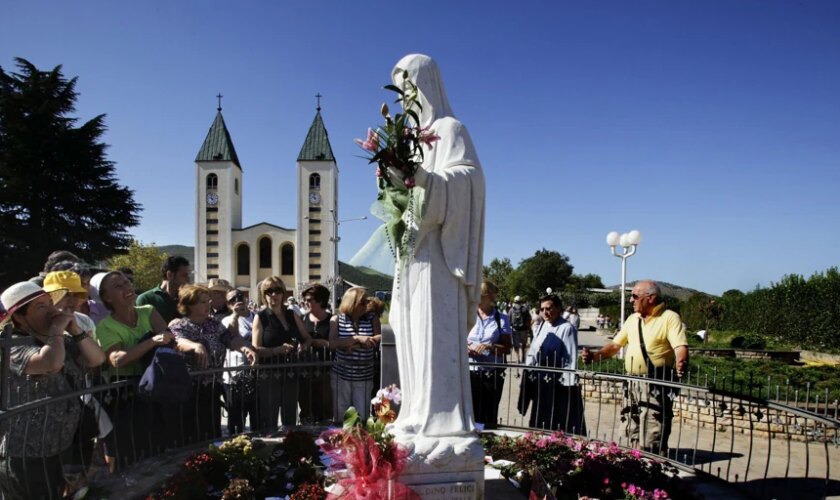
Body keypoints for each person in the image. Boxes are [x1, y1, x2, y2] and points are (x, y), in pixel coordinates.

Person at [387, 54, 485, 443]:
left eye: (408, 86)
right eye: (399, 90)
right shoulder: (410, 139)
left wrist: (425, 178)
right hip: (412, 252)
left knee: (433, 336)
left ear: (425, 84)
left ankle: (440, 418)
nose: (404, 97)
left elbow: (469, 180)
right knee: (410, 332)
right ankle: (413, 410)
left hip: (439, 257)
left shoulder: (450, 128)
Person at [0, 281, 105, 500]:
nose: (51, 310)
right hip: (26, 453)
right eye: (40, 307)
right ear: (19, 318)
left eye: (50, 303)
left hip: (63, 445)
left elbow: (97, 359)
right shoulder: (11, 346)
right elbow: (51, 363)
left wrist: (75, 330)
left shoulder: (63, 341)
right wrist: (57, 329)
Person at [92, 271, 203, 466]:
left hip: (157, 391)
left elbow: (169, 341)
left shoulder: (148, 311)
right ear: (106, 297)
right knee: (130, 452)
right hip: (126, 399)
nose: (127, 287)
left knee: (159, 447)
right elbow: (117, 360)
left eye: (127, 282)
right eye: (118, 286)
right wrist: (151, 342)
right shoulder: (105, 326)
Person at [582, 280, 689, 453]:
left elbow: (680, 347)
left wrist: (681, 362)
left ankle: (654, 461)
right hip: (631, 382)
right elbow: (615, 346)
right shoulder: (633, 319)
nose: (631, 300)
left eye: (635, 296)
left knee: (654, 426)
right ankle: (635, 458)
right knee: (631, 423)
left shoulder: (669, 318)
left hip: (655, 382)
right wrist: (595, 356)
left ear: (651, 298)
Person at [168, 284, 257, 441]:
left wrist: (244, 347)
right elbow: (179, 341)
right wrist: (195, 345)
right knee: (188, 434)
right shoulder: (179, 325)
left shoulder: (215, 324)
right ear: (189, 305)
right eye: (202, 302)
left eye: (207, 301)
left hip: (212, 388)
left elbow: (229, 339)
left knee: (210, 433)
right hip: (187, 390)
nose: (207, 304)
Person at [518, 294, 585, 434]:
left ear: (558, 308)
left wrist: (568, 386)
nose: (545, 312)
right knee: (539, 421)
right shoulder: (542, 325)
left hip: (557, 385)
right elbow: (533, 351)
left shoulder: (567, 328)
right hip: (540, 383)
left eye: (548, 308)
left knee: (557, 423)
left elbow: (571, 358)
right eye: (542, 309)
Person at [251, 277, 312, 430]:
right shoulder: (261, 317)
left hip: (291, 373)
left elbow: (307, 339)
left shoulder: (292, 315)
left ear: (283, 293)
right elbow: (255, 349)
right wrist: (276, 350)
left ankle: (290, 448)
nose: (274, 295)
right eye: (269, 291)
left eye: (277, 290)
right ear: (263, 295)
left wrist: (303, 347)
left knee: (290, 418)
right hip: (269, 374)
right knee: (269, 419)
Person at [330, 287, 381, 423]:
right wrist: (357, 338)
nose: (367, 305)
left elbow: (379, 337)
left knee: (362, 416)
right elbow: (333, 343)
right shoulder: (337, 319)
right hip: (341, 376)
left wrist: (357, 346)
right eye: (363, 302)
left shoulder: (372, 318)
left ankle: (359, 442)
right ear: (352, 303)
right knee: (341, 416)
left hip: (364, 376)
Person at [466, 280, 512, 429]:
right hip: (470, 373)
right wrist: (466, 347)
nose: (476, 299)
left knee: (488, 414)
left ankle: (487, 444)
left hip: (490, 376)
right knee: (470, 413)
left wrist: (490, 347)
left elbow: (507, 348)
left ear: (490, 297)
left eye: (481, 295)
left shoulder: (501, 319)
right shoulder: (468, 316)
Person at [221, 288, 257, 434]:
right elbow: (234, 337)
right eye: (232, 300)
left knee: (255, 416)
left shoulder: (256, 317)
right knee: (236, 418)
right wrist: (236, 315)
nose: (237, 301)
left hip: (254, 374)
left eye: (240, 297)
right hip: (233, 376)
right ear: (228, 305)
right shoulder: (226, 320)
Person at [298, 283, 333, 425]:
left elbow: (334, 342)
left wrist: (321, 343)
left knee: (325, 407)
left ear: (320, 300)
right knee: (306, 406)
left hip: (326, 372)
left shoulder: (332, 320)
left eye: (309, 300)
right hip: (305, 371)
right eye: (305, 300)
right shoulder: (302, 319)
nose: (305, 303)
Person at [136, 255, 190, 324]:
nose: (188, 279)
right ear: (170, 275)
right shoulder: (146, 299)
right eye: (184, 275)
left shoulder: (188, 299)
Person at [508, 295, 531, 361]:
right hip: (524, 330)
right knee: (524, 344)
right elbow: (529, 319)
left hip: (515, 330)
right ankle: (523, 356)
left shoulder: (511, 310)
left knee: (516, 345)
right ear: (521, 301)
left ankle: (518, 358)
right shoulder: (525, 309)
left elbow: (508, 320)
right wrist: (528, 329)